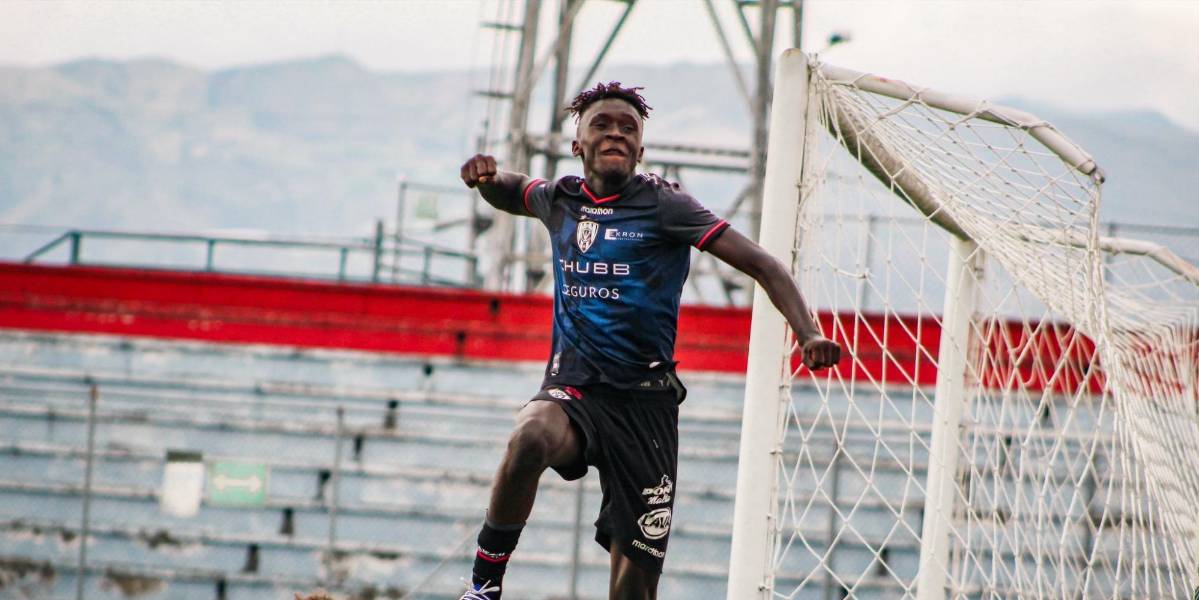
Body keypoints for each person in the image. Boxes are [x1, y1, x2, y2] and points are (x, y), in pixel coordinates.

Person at [457, 82, 841, 600]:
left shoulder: (667, 207)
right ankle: (484, 586)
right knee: (530, 434)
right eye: (602, 125)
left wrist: (808, 330)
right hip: (576, 391)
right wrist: (486, 177)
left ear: (640, 149)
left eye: (628, 128)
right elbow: (513, 187)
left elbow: (763, 264)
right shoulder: (562, 200)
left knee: (632, 588)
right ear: (578, 145)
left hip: (646, 409)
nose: (615, 132)